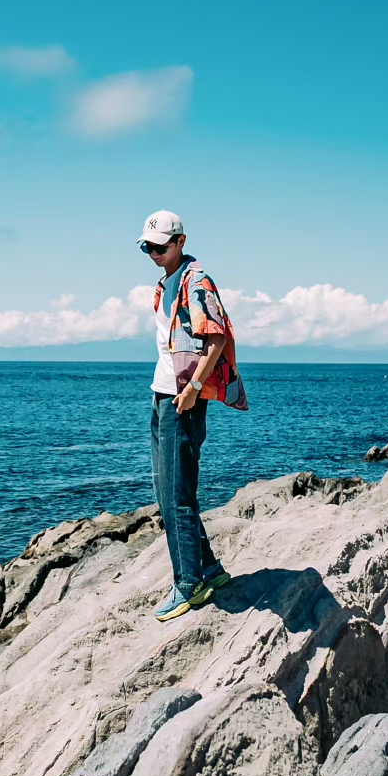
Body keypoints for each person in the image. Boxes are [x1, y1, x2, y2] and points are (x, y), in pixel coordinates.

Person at [138, 209, 234, 621]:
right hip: (163, 394)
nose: (155, 253)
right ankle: (209, 568)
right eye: (148, 248)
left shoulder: (197, 281)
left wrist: (194, 387)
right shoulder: (166, 284)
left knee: (175, 496)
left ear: (180, 241)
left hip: (183, 399)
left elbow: (217, 338)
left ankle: (189, 583)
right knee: (168, 492)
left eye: (161, 246)